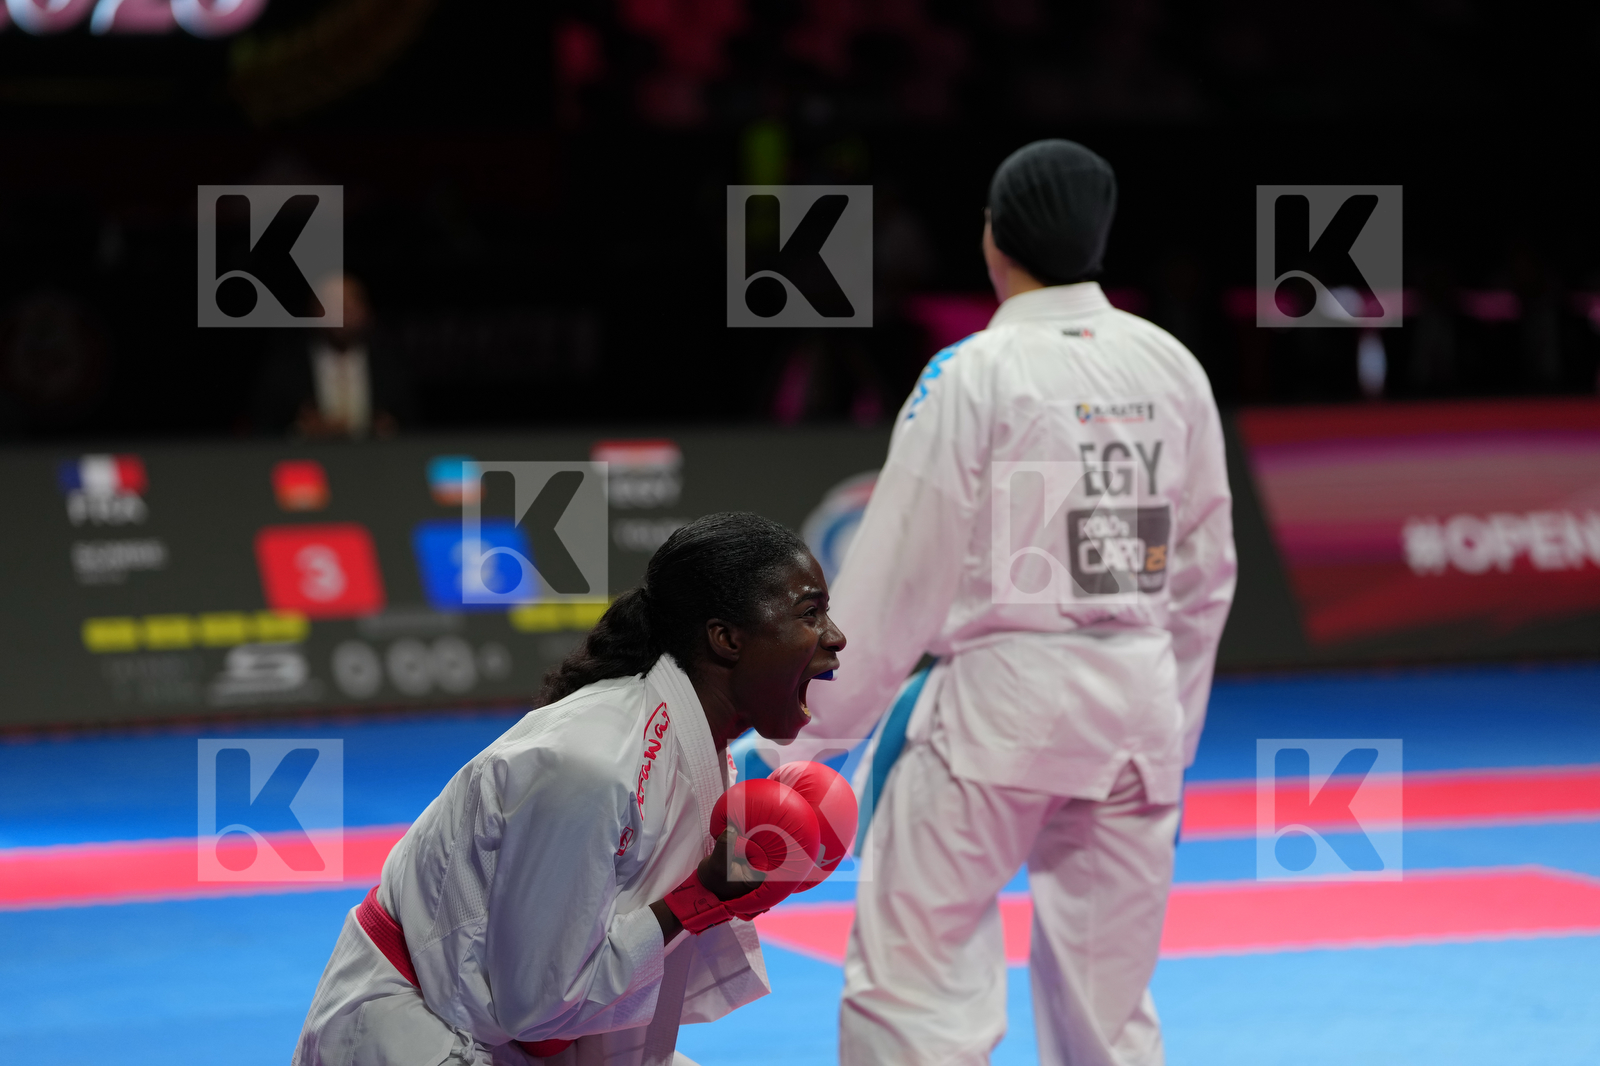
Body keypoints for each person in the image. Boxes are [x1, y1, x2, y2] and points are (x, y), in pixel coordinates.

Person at [804, 140, 1237, 1065]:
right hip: (1139, 709)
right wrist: (1175, 731)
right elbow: (1205, 576)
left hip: (1002, 712)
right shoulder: (1172, 365)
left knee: (911, 991)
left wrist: (804, 731)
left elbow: (898, 577)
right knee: (1109, 1019)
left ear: (994, 238)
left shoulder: (975, 372)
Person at [293, 512, 846, 1066]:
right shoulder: (590, 765)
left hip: (514, 1034)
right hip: (416, 1031)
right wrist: (700, 898)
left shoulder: (693, 740)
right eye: (810, 613)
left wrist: (735, 892)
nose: (835, 636)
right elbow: (537, 1008)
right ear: (726, 639)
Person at [253, 273, 411, 438]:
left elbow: (415, 429)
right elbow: (262, 432)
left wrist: (388, 430)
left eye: (350, 304)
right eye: (332, 304)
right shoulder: (284, 370)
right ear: (313, 310)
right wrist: (299, 431)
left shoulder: (393, 369)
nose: (342, 314)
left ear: (367, 310)